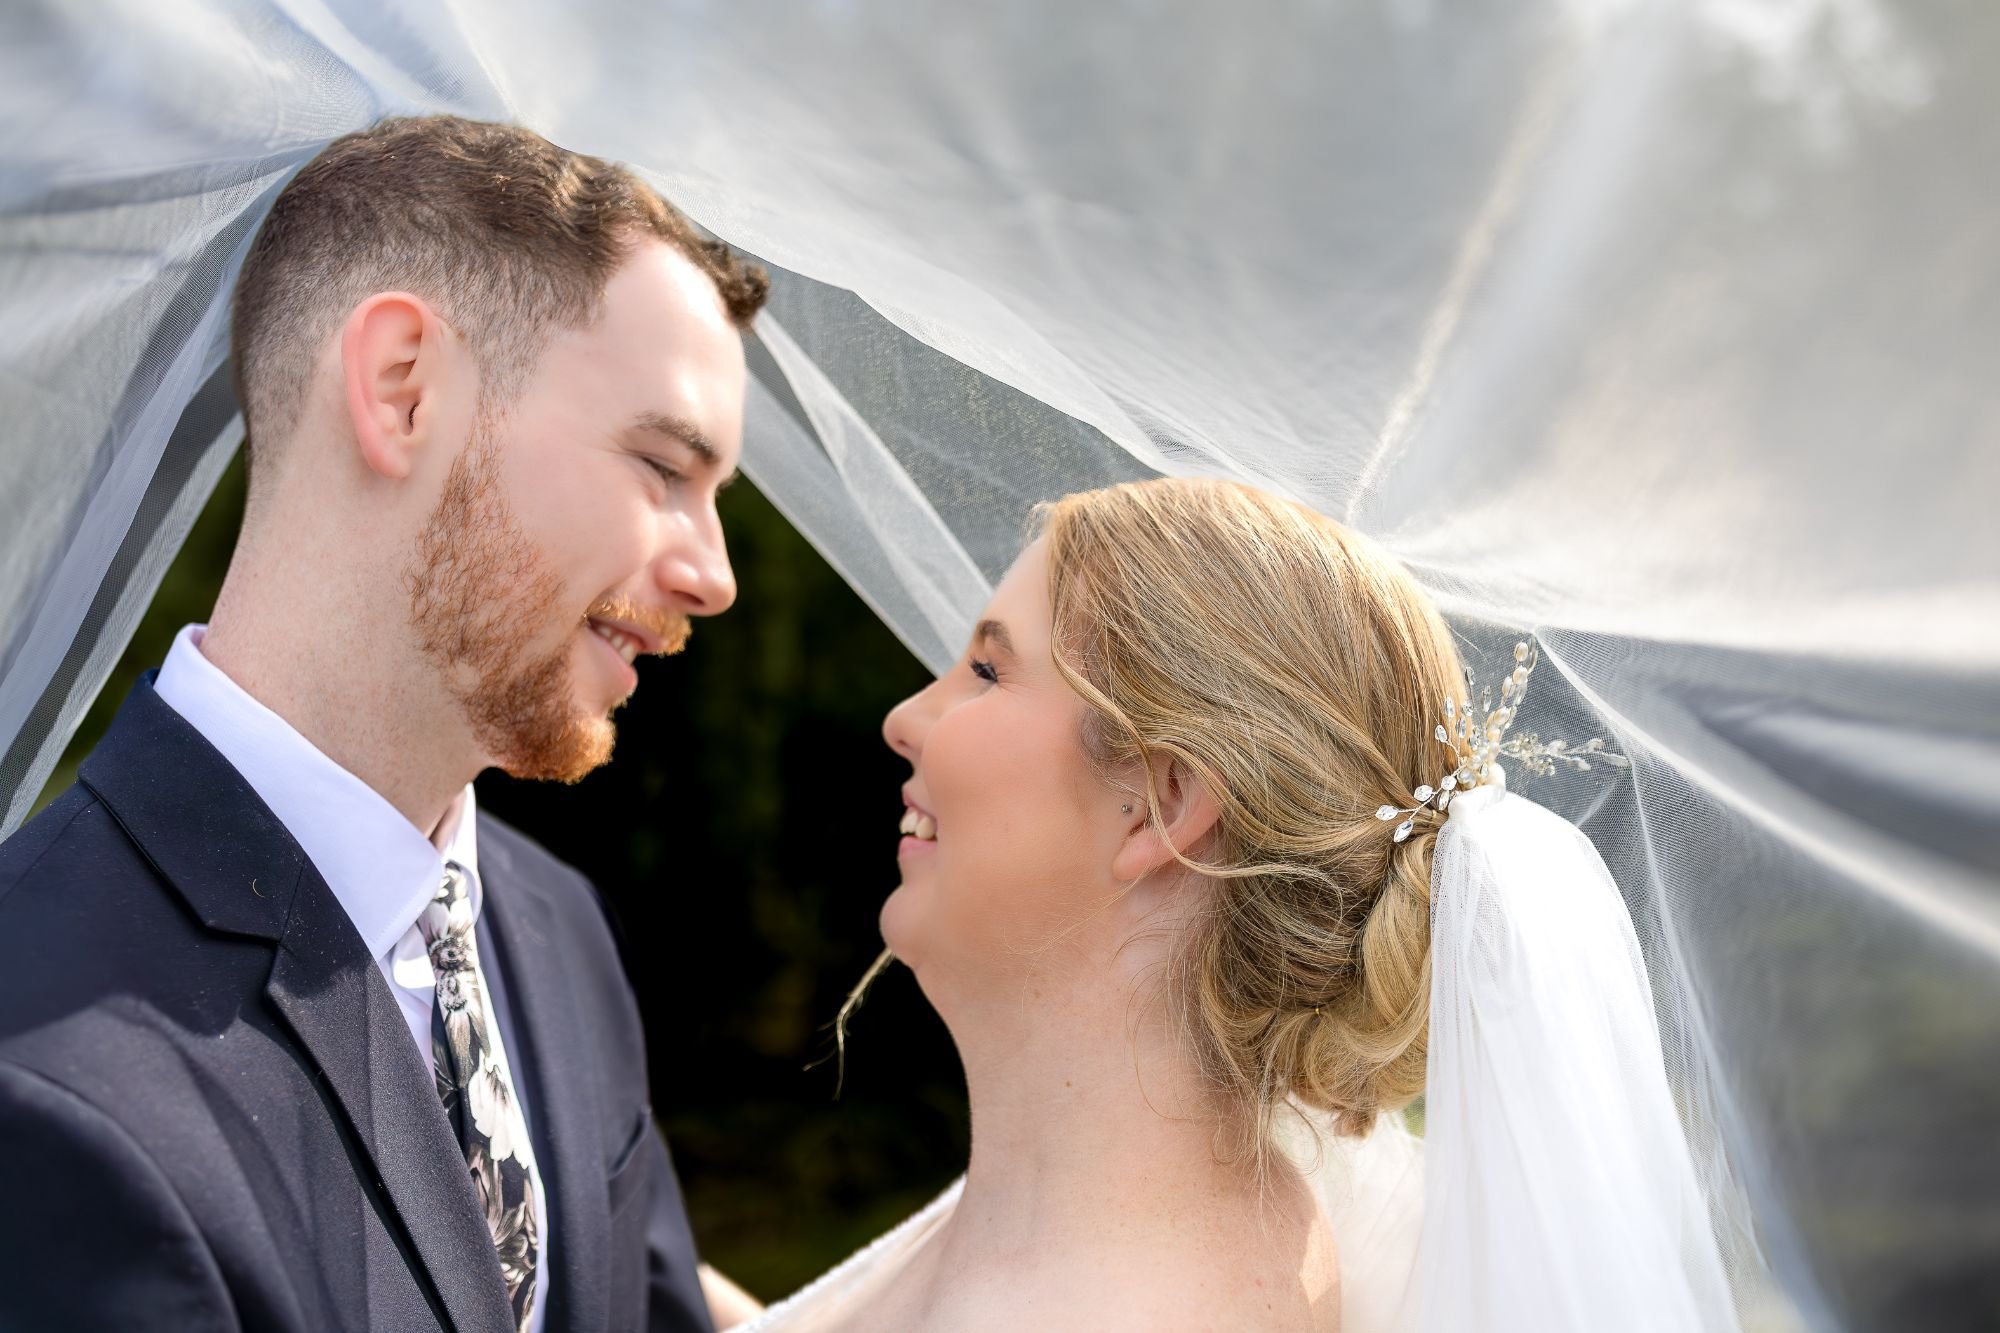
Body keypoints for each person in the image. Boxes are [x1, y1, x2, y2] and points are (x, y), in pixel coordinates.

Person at [0, 116, 768, 1332]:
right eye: (663, 467)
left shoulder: (557, 930)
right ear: (403, 389)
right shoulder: (38, 1068)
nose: (714, 576)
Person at [736, 477, 1741, 1332]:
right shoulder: (1097, 1215)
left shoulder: (1140, 1295)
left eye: (989, 671)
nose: (906, 716)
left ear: (1161, 802)